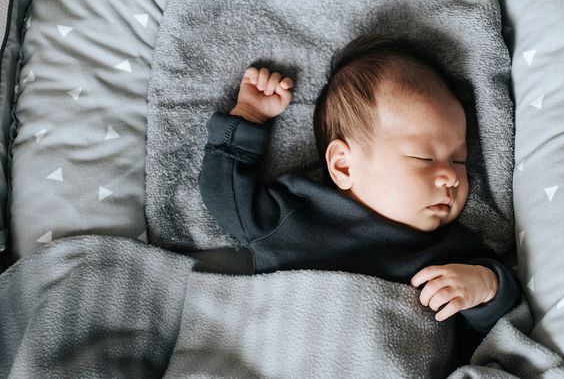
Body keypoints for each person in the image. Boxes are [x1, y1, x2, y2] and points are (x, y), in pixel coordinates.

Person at [198, 35, 521, 339]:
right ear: (343, 165)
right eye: (424, 157)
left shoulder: (454, 254)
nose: (450, 177)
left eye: (459, 161)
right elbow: (226, 200)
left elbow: (502, 324)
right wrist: (249, 115)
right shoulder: (295, 215)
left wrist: (486, 285)